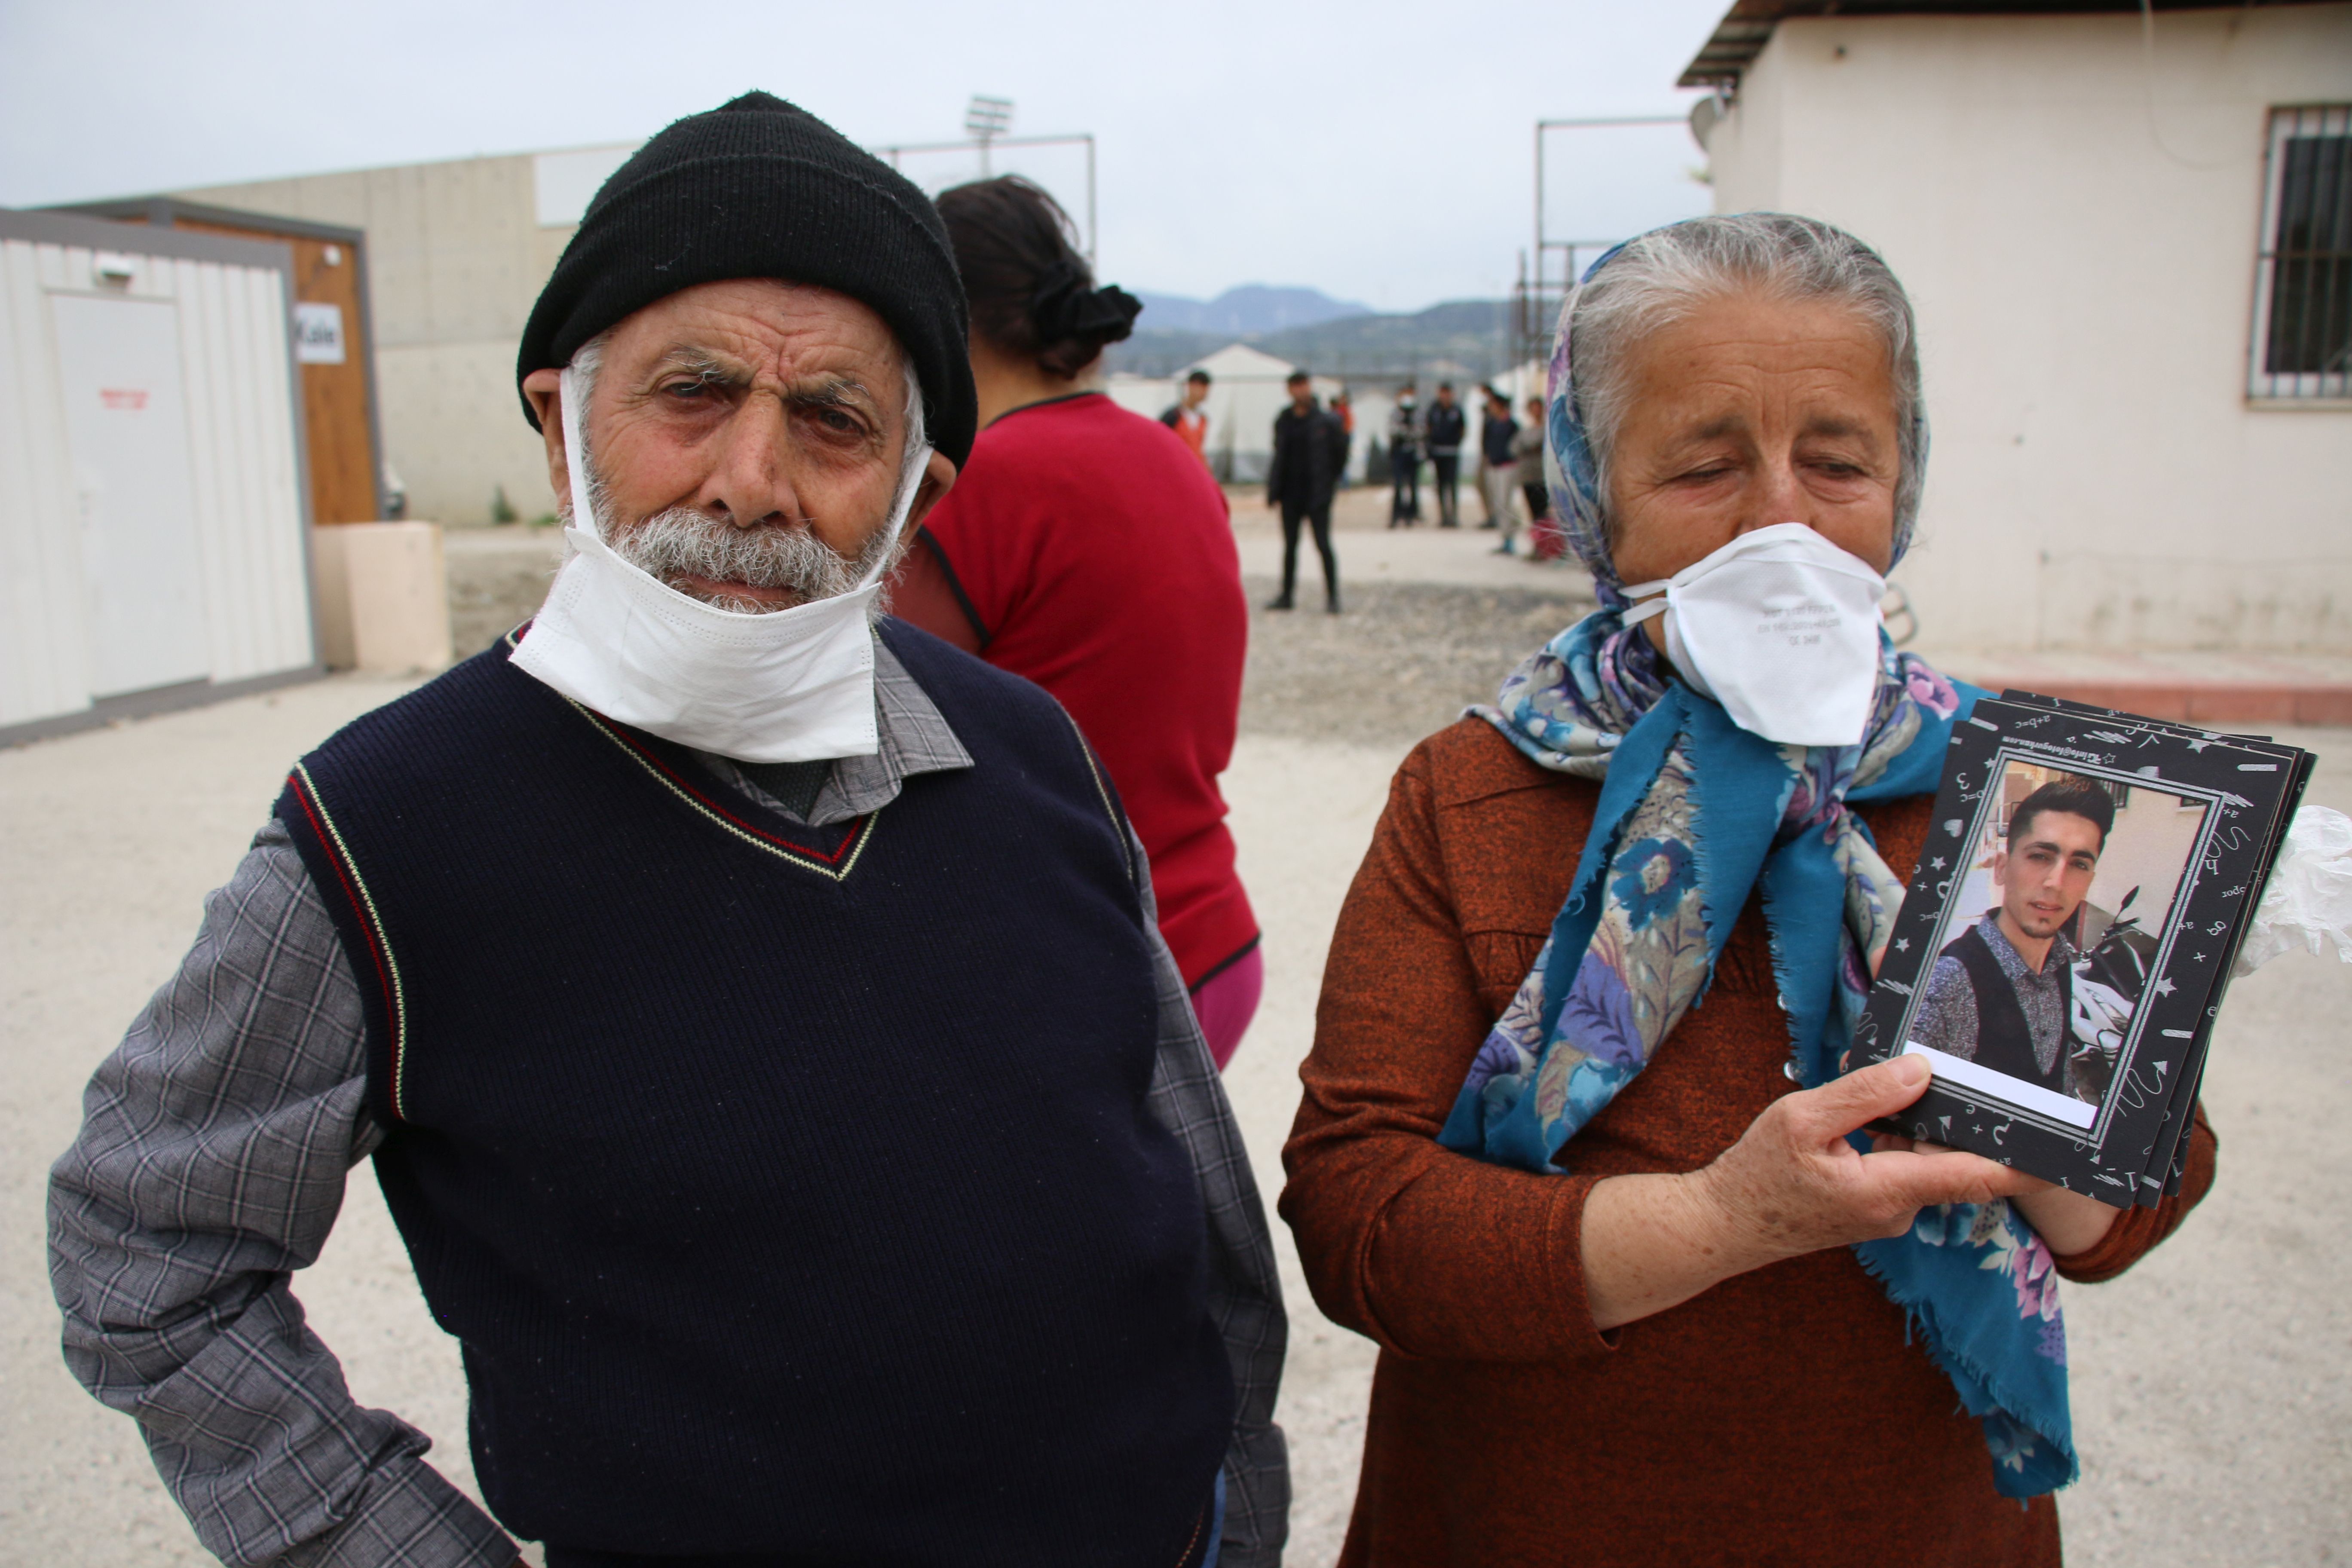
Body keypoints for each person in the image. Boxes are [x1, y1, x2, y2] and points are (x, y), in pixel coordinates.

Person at [48, 95, 1288, 1568]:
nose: (750, 482)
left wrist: (1233, 1497)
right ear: (561, 428)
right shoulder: (391, 826)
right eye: (691, 391)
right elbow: (147, 1238)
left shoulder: (1029, 752)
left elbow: (1197, 1202)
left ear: (918, 493)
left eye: (834, 420)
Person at [1279, 213, 2213, 1565]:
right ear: (1593, 489)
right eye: (1706, 464)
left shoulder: (2043, 791)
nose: (1782, 514)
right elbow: (1356, 1219)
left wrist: (2035, 1135)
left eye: (1838, 461)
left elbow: (2147, 1193)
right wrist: (1726, 1221)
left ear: (1909, 479)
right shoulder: (1474, 792)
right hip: (1522, 1520)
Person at [891, 175, 1265, 1068]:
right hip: (1211, 937)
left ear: (937, 318)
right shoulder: (1169, 458)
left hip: (1079, 973)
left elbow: (876, 743)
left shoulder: (974, 488)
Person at [1911, 777, 2114, 1102]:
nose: (2056, 883)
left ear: (2089, 882)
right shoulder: (1950, 980)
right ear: (2002, 869)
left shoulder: (2059, 961)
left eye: (2078, 864)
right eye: (2040, 856)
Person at [1266, 369, 1344, 613]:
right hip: (1291, 494)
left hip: (1317, 494)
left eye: (1304, 385)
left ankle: (1333, 597)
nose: (1300, 391)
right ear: (1289, 390)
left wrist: (1329, 485)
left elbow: (1340, 455)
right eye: (1295, 386)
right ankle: (1287, 595)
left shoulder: (1327, 421)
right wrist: (1274, 490)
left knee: (1323, 544)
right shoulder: (1284, 420)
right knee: (1290, 546)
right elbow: (1279, 456)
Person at [1515, 394, 1564, 560]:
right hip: (1528, 476)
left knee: (1544, 513)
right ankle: (1540, 546)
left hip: (1542, 477)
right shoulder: (1526, 431)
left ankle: (1550, 547)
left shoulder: (1547, 429)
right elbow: (1515, 447)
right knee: (1535, 514)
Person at [1478, 386, 1521, 553]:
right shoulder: (1491, 424)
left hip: (1507, 467)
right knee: (1498, 503)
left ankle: (1510, 537)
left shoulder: (1511, 425)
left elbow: (1515, 446)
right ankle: (1505, 537)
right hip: (1493, 467)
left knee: (1505, 502)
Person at [1423, 380, 1465, 525]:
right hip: (1438, 452)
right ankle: (1443, 517)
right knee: (1440, 486)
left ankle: (1453, 516)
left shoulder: (1457, 410)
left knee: (1452, 485)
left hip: (1452, 452)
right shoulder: (1434, 409)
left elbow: (1463, 429)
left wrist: (1457, 442)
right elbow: (1428, 427)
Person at [1161, 366, 1213, 469]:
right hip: (1176, 468)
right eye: (1201, 388)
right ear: (1191, 386)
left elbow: (1198, 450)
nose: (1205, 393)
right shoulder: (1172, 417)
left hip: (1196, 469)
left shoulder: (1203, 419)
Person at [1386, 381, 1422, 527]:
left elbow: (1421, 431)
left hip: (1413, 453)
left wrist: (1410, 431)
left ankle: (1411, 514)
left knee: (1412, 486)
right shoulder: (1395, 413)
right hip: (1399, 453)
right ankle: (1396, 515)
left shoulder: (1418, 413)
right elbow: (1393, 431)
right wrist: (1404, 430)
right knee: (1398, 485)